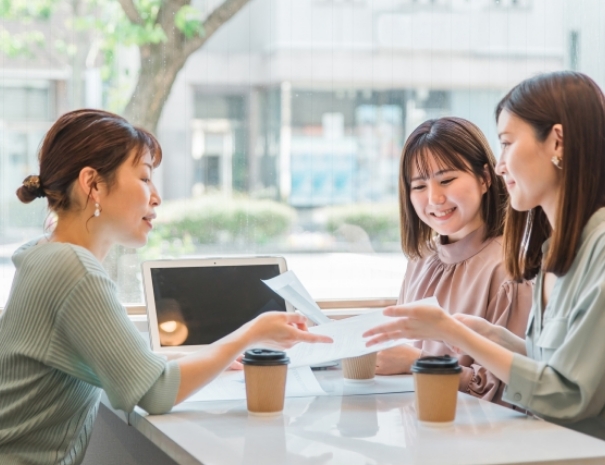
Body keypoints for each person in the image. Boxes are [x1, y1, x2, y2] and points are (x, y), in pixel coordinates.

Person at [0, 109, 332, 464]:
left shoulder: (40, 253)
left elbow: (127, 364)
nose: (156, 197)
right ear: (92, 184)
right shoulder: (71, 268)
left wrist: (216, 355)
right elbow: (155, 392)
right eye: (144, 178)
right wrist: (252, 333)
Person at [365, 71, 605, 439]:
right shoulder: (554, 249)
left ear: (557, 142)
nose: (499, 164)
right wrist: (490, 336)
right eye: (419, 186)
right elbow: (553, 365)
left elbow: (568, 396)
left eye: (507, 143)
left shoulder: (596, 250)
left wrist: (448, 335)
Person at [375, 117, 532, 405]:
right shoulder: (421, 261)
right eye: (419, 186)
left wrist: (418, 362)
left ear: (485, 178)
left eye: (446, 180)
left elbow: (505, 392)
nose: (434, 198)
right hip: (418, 421)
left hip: (477, 437)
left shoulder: (510, 269)